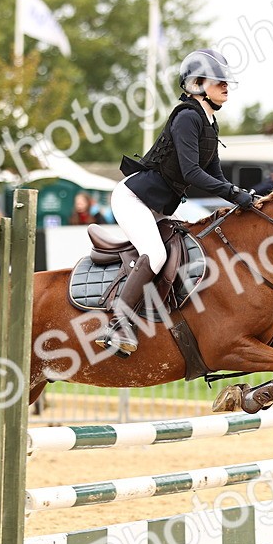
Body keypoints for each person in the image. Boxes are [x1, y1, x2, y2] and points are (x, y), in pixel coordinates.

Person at [96, 48, 252, 357]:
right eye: (218, 81)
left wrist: (243, 198)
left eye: (226, 82)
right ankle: (116, 325)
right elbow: (193, 173)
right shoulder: (187, 118)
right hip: (132, 199)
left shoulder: (209, 123)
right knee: (154, 254)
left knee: (181, 250)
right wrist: (234, 194)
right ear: (196, 84)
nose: (225, 87)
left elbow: (215, 172)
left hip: (155, 205)